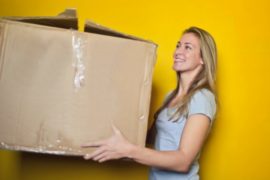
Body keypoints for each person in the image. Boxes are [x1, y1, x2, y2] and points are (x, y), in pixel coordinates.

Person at [81, 26, 217, 180]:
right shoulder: (170, 97)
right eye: (178, 46)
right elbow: (151, 140)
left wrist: (128, 150)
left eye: (188, 48)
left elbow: (183, 161)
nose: (178, 52)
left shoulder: (202, 98)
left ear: (203, 59)